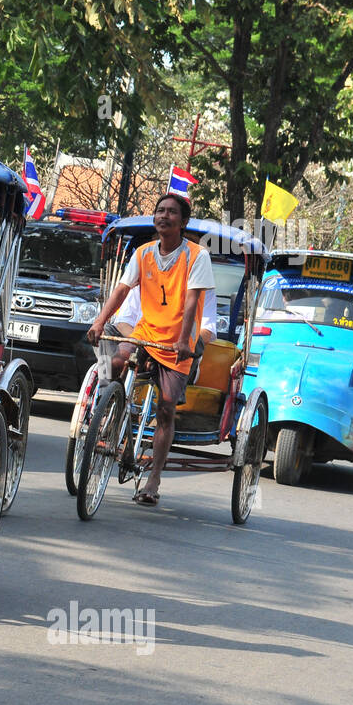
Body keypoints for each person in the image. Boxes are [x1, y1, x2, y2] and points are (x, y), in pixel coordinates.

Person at [86, 193, 214, 507]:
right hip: (146, 332)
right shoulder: (143, 253)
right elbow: (121, 290)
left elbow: (192, 302)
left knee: (166, 409)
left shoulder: (197, 256)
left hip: (178, 341)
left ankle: (154, 479)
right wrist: (100, 321)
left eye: (171, 212)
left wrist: (183, 341)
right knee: (114, 359)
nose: (163, 216)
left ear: (183, 222)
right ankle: (111, 407)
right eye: (159, 210)